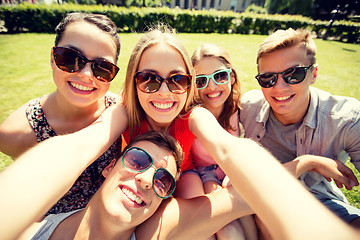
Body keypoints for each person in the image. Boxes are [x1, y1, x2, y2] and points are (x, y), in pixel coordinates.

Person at [240, 28, 360, 235]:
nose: (279, 87)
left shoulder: (346, 118)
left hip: (323, 205)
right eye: (268, 78)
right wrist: (308, 163)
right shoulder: (247, 108)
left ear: (313, 74)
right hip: (265, 204)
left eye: (293, 74)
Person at [0, 12, 123, 214]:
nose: (85, 75)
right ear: (52, 57)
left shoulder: (121, 110)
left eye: (102, 68)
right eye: (70, 58)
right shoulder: (16, 133)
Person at [190, 43, 257, 240]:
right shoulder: (191, 114)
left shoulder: (238, 108)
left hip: (231, 171)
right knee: (227, 227)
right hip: (203, 175)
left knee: (244, 208)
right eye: (201, 80)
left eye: (220, 76)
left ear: (232, 76)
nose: (211, 86)